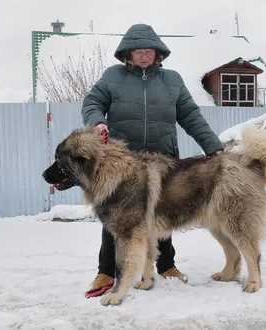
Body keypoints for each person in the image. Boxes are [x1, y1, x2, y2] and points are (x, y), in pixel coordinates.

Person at [81, 23, 224, 292]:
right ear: (128, 54)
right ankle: (106, 272)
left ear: (158, 53)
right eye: (138, 50)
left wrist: (212, 146)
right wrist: (97, 122)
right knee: (117, 218)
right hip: (124, 163)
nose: (144, 55)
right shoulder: (113, 76)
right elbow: (92, 102)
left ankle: (166, 265)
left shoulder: (172, 80)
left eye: (149, 50)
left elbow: (191, 116)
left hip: (164, 160)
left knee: (165, 213)